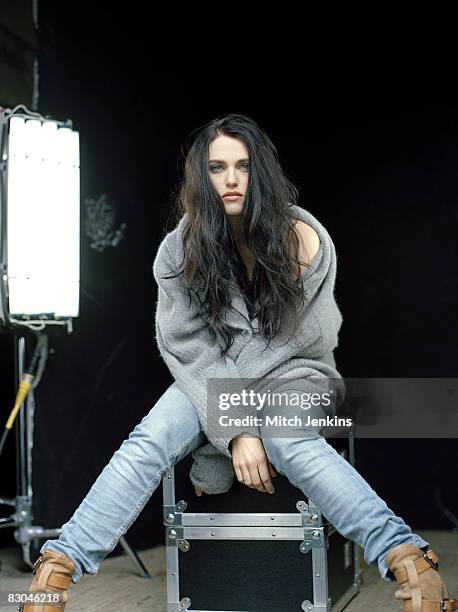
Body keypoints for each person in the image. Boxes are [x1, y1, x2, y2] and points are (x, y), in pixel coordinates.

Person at [21, 114, 457, 612]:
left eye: (243, 166)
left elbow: (299, 342)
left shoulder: (303, 241)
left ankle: (410, 560)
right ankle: (56, 571)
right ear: (200, 177)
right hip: (211, 378)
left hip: (300, 373)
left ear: (260, 172)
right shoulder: (179, 251)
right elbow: (185, 346)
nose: (231, 179)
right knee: (150, 438)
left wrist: (230, 427)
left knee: (286, 437)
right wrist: (236, 429)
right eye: (217, 167)